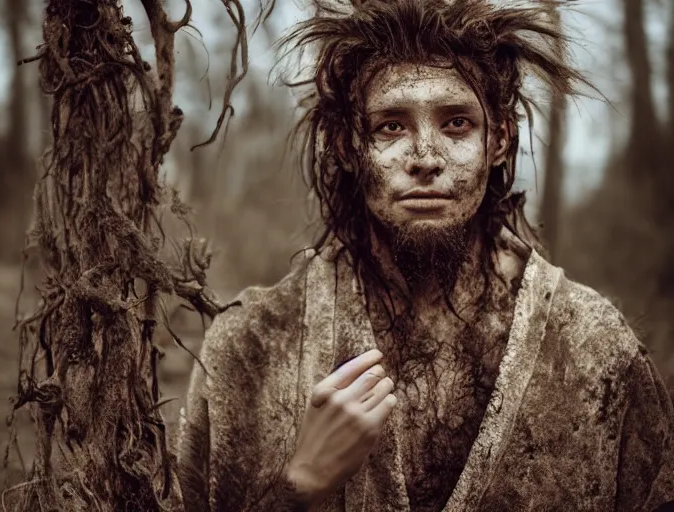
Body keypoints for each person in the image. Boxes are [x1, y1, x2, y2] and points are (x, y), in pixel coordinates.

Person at [172, 0, 674, 510]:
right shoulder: (247, 352)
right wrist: (302, 486)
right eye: (391, 126)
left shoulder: (595, 351)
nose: (426, 159)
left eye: (456, 123)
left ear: (498, 140)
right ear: (347, 146)